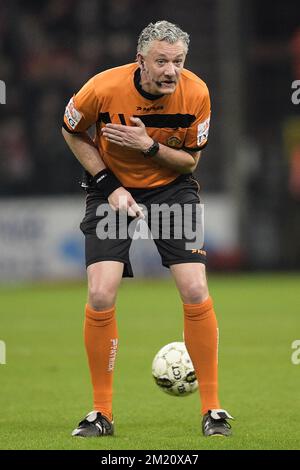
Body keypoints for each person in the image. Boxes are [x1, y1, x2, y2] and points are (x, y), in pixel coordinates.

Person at [62, 20, 233, 438]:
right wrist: (109, 186)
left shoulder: (197, 92)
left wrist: (149, 147)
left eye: (177, 61)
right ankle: (101, 413)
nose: (171, 70)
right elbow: (71, 130)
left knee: (195, 289)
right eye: (161, 61)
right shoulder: (102, 88)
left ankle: (213, 410)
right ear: (140, 60)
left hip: (172, 192)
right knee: (101, 292)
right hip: (110, 193)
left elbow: (190, 162)